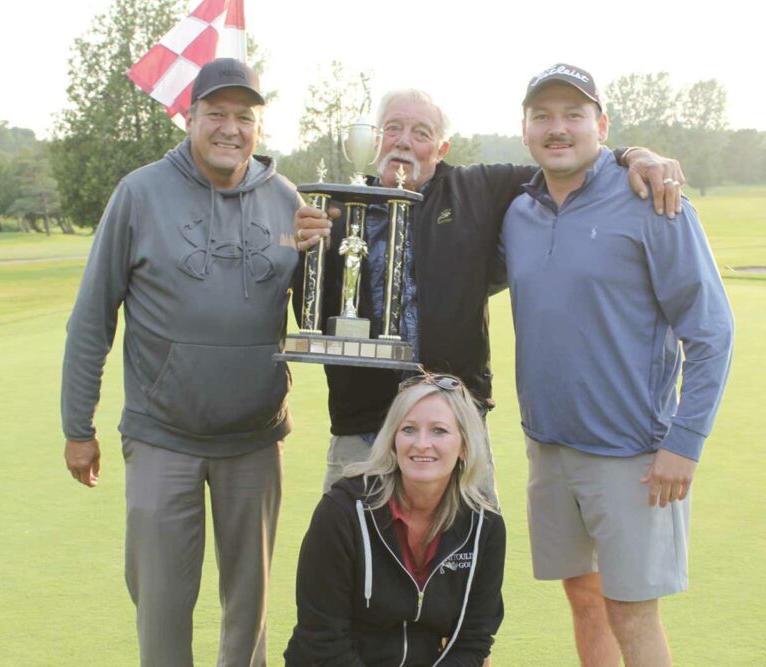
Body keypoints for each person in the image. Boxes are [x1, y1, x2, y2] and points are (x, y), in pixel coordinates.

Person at [293, 88, 685, 498]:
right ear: (376, 139)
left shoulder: (476, 189)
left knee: (465, 554)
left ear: (442, 148)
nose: (404, 141)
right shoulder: (336, 210)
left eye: (421, 132)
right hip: (361, 430)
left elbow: (566, 164)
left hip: (456, 425)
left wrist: (632, 155)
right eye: (393, 128)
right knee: (348, 555)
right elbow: (316, 322)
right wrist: (303, 253)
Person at [61, 58, 301, 667]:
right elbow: (93, 316)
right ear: (188, 117)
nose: (230, 128)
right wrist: (77, 426)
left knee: (249, 610)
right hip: (162, 434)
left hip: (254, 439)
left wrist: (329, 250)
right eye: (215, 113)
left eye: (244, 117)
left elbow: (320, 316)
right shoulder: (140, 193)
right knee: (162, 603)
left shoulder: (287, 200)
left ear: (259, 125)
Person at [500, 64, 734, 667]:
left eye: (574, 115)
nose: (558, 128)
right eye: (543, 116)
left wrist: (685, 441)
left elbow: (710, 331)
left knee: (632, 610)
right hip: (547, 449)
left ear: (601, 125)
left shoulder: (652, 200)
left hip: (631, 456)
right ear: (524, 130)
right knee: (583, 594)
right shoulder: (518, 212)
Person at [284, 373, 506, 666]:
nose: (421, 444)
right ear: (392, 440)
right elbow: (323, 640)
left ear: (464, 446)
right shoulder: (341, 512)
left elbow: (472, 640)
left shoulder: (485, 526)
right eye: (409, 429)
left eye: (439, 431)